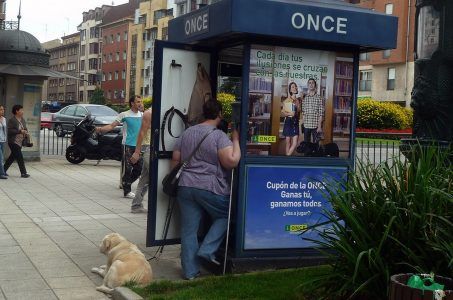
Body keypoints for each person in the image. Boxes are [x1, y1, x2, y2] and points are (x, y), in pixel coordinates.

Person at [171, 99, 241, 280]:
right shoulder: (219, 136)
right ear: (219, 115)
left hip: (185, 186)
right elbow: (231, 161)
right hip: (210, 186)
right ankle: (207, 249)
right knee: (225, 216)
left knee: (188, 230)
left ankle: (190, 272)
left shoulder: (186, 133)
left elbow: (175, 160)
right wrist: (235, 140)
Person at [96, 95, 143, 198]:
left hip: (139, 146)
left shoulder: (142, 115)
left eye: (141, 101)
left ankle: (126, 183)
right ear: (132, 103)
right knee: (128, 168)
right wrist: (100, 129)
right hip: (127, 145)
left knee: (139, 169)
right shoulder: (124, 114)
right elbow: (112, 126)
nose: (140, 103)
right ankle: (127, 191)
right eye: (138, 102)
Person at [129, 107, 152, 213]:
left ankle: (136, 205)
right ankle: (139, 205)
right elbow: (142, 132)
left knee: (145, 178)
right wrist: (137, 152)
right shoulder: (149, 113)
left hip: (153, 148)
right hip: (148, 148)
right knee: (154, 177)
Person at [4, 104, 30, 178]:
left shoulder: (22, 119)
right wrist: (20, 131)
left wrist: (26, 132)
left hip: (20, 142)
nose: (23, 111)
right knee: (19, 157)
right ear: (17, 111)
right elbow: (10, 131)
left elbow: (25, 128)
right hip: (13, 142)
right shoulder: (12, 120)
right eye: (21, 110)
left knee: (12, 157)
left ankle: (3, 170)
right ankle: (23, 173)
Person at [301, 78, 325, 144]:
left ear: (315, 85)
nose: (311, 84)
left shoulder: (319, 98)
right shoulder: (305, 98)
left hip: (316, 126)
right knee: (306, 145)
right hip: (306, 126)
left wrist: (319, 127)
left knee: (316, 145)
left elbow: (321, 114)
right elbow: (303, 112)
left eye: (312, 83)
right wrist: (303, 123)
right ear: (307, 85)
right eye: (309, 83)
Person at [281, 82, 301, 156]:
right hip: (289, 121)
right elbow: (282, 113)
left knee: (295, 142)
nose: (295, 88)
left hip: (295, 122)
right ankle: (287, 159)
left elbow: (298, 112)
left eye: (295, 86)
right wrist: (290, 114)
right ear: (290, 89)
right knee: (288, 142)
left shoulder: (298, 101)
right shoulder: (287, 100)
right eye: (293, 87)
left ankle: (287, 157)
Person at [0, 106, 8, 179]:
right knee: (0, 157)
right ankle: (2, 173)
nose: (2, 111)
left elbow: (5, 130)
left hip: (2, 140)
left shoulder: (4, 119)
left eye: (3, 109)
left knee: (1, 157)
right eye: (1, 109)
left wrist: (5, 138)